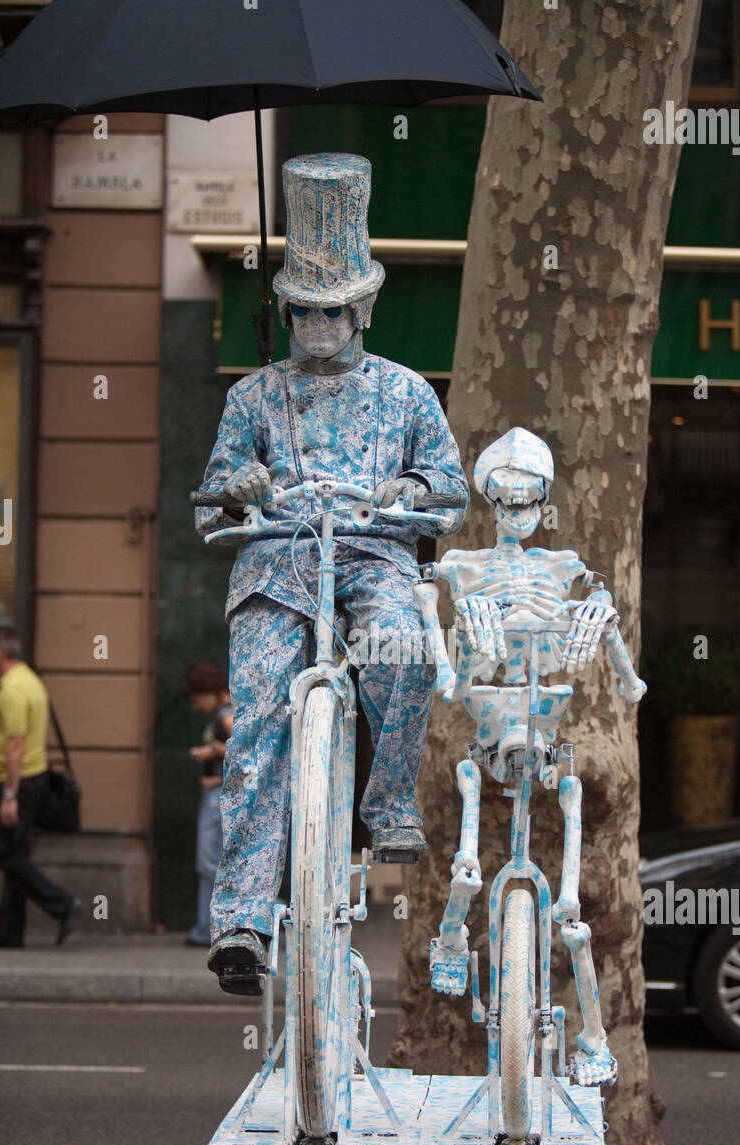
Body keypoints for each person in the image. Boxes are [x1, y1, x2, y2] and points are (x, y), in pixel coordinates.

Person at [194, 153, 468, 996]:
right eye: (303, 310)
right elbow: (209, 508)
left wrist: (410, 489)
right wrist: (239, 491)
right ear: (286, 309)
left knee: (405, 652)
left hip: (376, 555)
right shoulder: (253, 398)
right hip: (277, 569)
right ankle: (241, 919)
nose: (316, 323)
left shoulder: (408, 393)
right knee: (256, 735)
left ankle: (387, 805)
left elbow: (452, 492)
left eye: (332, 310)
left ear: (364, 310)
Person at [0, 626, 80, 948]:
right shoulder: (29, 681)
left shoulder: (15, 689)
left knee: (7, 856)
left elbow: (16, 744)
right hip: (31, 780)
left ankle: (63, 905)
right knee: (15, 853)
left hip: (19, 783)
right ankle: (9, 933)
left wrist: (9, 794)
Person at [180, 663, 232, 947]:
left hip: (218, 795)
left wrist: (211, 750)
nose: (197, 706)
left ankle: (208, 927)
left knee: (209, 862)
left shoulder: (226, 715)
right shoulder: (225, 713)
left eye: (198, 698)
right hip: (216, 794)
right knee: (211, 863)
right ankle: (205, 927)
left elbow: (240, 748)